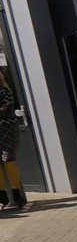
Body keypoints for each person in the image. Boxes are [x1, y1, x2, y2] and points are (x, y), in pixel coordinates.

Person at [0, 72, 26, 210]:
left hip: (7, 128)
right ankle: (2, 197)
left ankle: (16, 194)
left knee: (9, 159)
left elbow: (5, 109)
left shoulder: (6, 91)